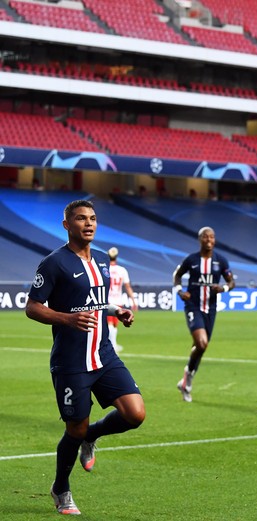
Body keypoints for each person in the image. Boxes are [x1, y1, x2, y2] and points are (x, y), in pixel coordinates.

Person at [25, 200, 145, 515]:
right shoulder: (54, 263)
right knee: (74, 429)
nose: (88, 223)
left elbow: (96, 302)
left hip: (103, 356)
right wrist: (67, 319)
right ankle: (61, 488)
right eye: (80, 219)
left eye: (92, 218)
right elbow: (32, 307)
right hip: (71, 362)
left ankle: (92, 436)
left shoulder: (104, 261)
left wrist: (118, 310)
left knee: (135, 414)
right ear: (67, 224)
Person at [172, 226, 235, 402]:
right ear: (200, 239)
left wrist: (222, 288)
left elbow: (231, 282)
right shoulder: (191, 260)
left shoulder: (220, 261)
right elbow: (177, 275)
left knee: (201, 348)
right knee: (201, 343)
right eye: (206, 237)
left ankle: (185, 382)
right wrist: (179, 291)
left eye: (212, 237)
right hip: (193, 305)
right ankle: (188, 380)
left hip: (211, 308)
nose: (209, 240)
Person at [106, 246, 138, 353]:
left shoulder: (104, 269)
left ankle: (112, 344)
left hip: (107, 300)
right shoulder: (122, 270)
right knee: (114, 325)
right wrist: (133, 300)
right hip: (117, 300)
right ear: (116, 257)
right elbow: (127, 286)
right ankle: (113, 345)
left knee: (110, 325)